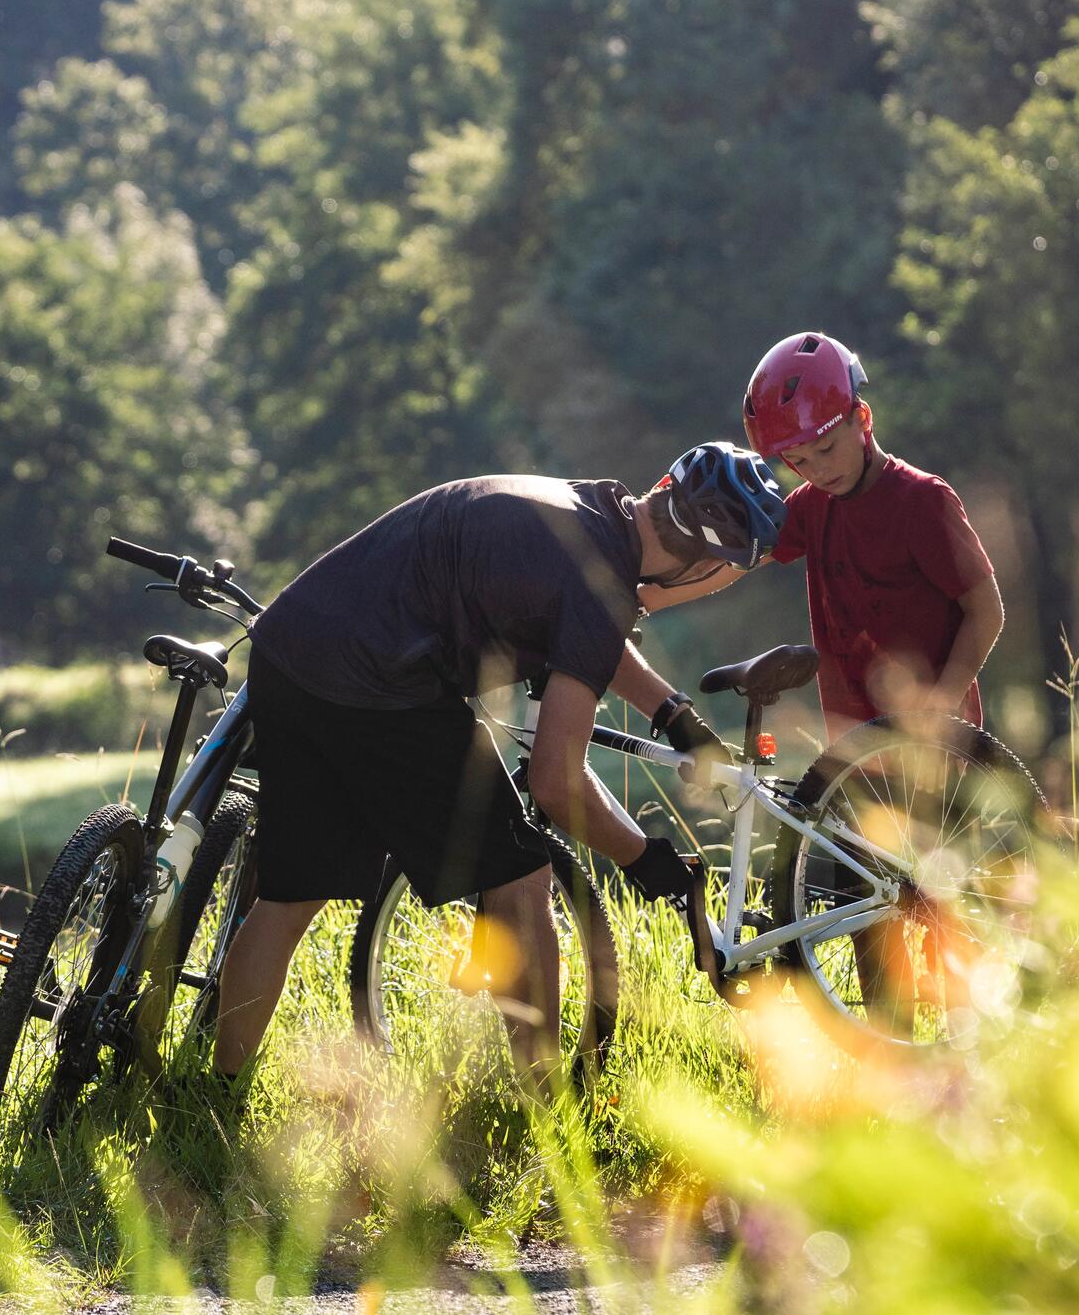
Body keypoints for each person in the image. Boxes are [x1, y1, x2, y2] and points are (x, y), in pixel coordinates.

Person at [212, 445, 786, 1080]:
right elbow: (555, 779)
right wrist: (653, 867)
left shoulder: (591, 508)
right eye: (737, 571)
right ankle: (550, 1117)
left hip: (289, 649)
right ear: (706, 563)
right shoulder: (602, 591)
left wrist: (673, 713)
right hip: (380, 688)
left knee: (290, 898)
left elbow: (582, 625)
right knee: (519, 877)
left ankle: (215, 1091)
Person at [739, 332, 1005, 738]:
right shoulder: (812, 506)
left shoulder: (922, 501)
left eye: (826, 449)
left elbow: (986, 610)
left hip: (937, 754)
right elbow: (736, 557)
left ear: (862, 418)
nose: (818, 471)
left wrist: (941, 709)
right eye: (798, 461)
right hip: (854, 757)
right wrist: (644, 587)